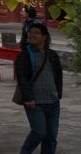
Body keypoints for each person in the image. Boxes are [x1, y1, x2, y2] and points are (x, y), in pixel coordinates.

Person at [17, 23, 63, 154]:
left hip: (53, 102)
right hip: (35, 102)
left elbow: (58, 75)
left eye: (36, 32)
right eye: (30, 32)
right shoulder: (25, 55)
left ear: (44, 37)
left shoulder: (52, 55)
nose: (32, 35)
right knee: (39, 132)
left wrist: (58, 93)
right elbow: (22, 78)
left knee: (51, 136)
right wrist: (28, 98)